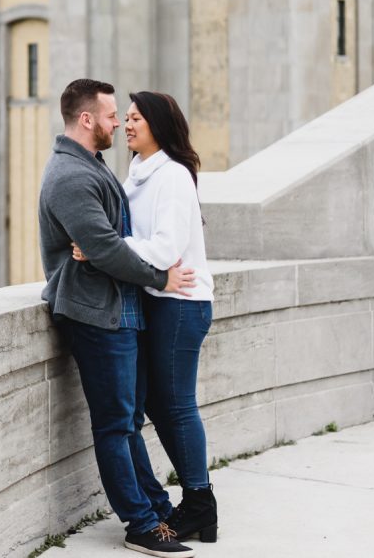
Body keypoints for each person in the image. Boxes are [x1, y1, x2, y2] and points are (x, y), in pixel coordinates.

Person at [38, 78, 197, 558]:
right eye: (111, 116)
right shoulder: (69, 176)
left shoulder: (93, 166)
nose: (118, 124)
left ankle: (157, 508)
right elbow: (104, 248)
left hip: (119, 311)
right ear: (86, 119)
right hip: (96, 315)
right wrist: (161, 277)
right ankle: (139, 524)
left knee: (127, 421)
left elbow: (106, 243)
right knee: (114, 424)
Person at [73, 91, 217, 543]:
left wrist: (103, 249)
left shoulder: (171, 176)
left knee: (175, 404)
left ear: (158, 125)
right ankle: (196, 501)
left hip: (182, 303)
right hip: (158, 299)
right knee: (157, 403)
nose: (127, 125)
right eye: (125, 118)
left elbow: (165, 249)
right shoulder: (137, 174)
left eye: (135, 118)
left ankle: (200, 504)